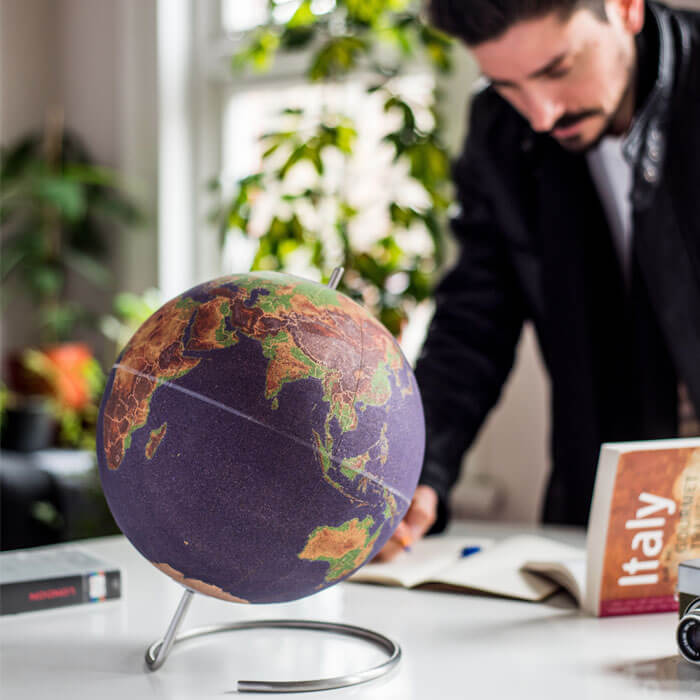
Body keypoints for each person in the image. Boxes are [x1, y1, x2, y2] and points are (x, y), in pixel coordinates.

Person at [377, 0, 700, 561]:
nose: (542, 115)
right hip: (600, 512)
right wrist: (417, 470)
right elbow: (473, 319)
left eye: (558, 70)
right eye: (506, 85)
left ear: (625, 8)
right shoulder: (502, 134)